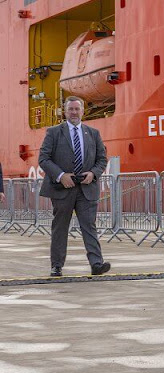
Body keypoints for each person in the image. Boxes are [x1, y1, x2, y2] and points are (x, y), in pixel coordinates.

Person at [38, 96, 110, 277]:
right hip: (62, 189)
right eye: (70, 109)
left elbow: (102, 159)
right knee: (60, 228)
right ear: (65, 111)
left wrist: (93, 173)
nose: (74, 112)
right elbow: (44, 159)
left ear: (83, 111)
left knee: (89, 226)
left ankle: (96, 264)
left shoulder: (93, 133)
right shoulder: (54, 132)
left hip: (86, 189)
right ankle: (56, 266)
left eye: (77, 109)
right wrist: (61, 176)